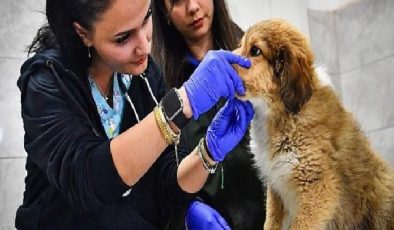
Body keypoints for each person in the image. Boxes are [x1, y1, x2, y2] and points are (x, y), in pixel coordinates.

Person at [15, 0, 254, 229]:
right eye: (123, 38)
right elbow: (87, 180)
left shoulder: (146, 76)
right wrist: (183, 102)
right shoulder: (47, 82)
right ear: (83, 33)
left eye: (147, 17)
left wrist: (208, 153)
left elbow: (169, 179)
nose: (145, 46)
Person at [152, 0, 266, 229]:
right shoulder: (159, 84)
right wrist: (186, 209)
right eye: (177, 1)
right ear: (164, 11)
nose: (192, 7)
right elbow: (158, 177)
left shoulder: (255, 57)